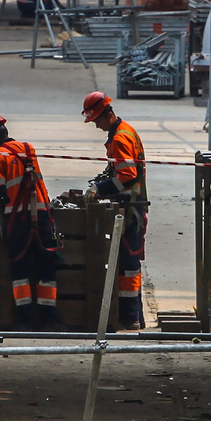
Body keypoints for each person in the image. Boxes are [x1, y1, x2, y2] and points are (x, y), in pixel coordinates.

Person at [0, 112, 62, 328]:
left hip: (18, 221)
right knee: (47, 269)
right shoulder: (28, 149)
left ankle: (25, 321)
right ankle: (50, 321)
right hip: (43, 216)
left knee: (20, 271)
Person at [82, 90, 148, 328]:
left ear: (106, 115)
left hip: (130, 209)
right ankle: (135, 316)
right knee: (128, 264)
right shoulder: (125, 131)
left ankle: (130, 318)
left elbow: (127, 177)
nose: (97, 126)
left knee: (128, 265)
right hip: (133, 206)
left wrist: (100, 189)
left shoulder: (120, 138)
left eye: (97, 121)